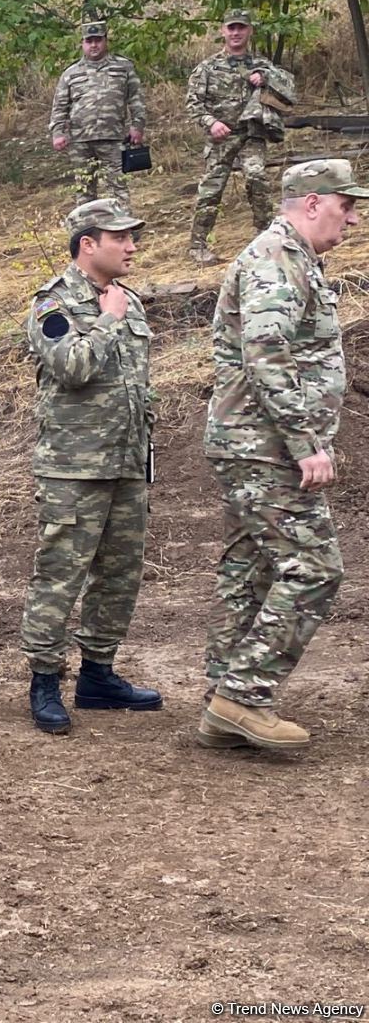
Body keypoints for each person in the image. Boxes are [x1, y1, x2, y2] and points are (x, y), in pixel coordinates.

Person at [198, 158, 362, 751]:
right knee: (315, 569)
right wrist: (305, 443)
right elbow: (266, 353)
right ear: (313, 202)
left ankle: (222, 698)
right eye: (346, 206)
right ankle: (242, 696)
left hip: (253, 442)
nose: (351, 219)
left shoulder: (294, 259)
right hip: (266, 447)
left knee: (250, 569)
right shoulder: (275, 258)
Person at [19, 200, 163, 734]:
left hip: (126, 461)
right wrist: (107, 321)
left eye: (132, 237)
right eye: (120, 237)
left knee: (120, 574)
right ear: (88, 243)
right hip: (74, 468)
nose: (132, 246)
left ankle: (98, 675)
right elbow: (70, 366)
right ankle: (44, 681)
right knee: (60, 575)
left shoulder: (128, 301)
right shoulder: (53, 304)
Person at [186, 8, 296, 264]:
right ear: (223, 31)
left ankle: (266, 239)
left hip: (252, 135)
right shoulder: (208, 68)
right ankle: (198, 246)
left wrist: (267, 78)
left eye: (241, 28)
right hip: (221, 138)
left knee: (257, 177)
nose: (236, 33)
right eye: (231, 28)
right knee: (211, 190)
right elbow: (193, 104)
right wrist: (210, 122)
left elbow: (290, 91)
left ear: (250, 31)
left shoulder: (262, 65)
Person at [49, 21, 146, 211]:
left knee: (118, 186)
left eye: (98, 40)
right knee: (84, 190)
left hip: (113, 137)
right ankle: (88, 231)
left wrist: (138, 125)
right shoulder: (71, 73)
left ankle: (123, 230)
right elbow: (60, 105)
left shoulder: (123, 67)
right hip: (80, 140)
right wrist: (57, 132)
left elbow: (136, 99)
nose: (94, 45)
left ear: (105, 41)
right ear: (82, 43)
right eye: (89, 41)